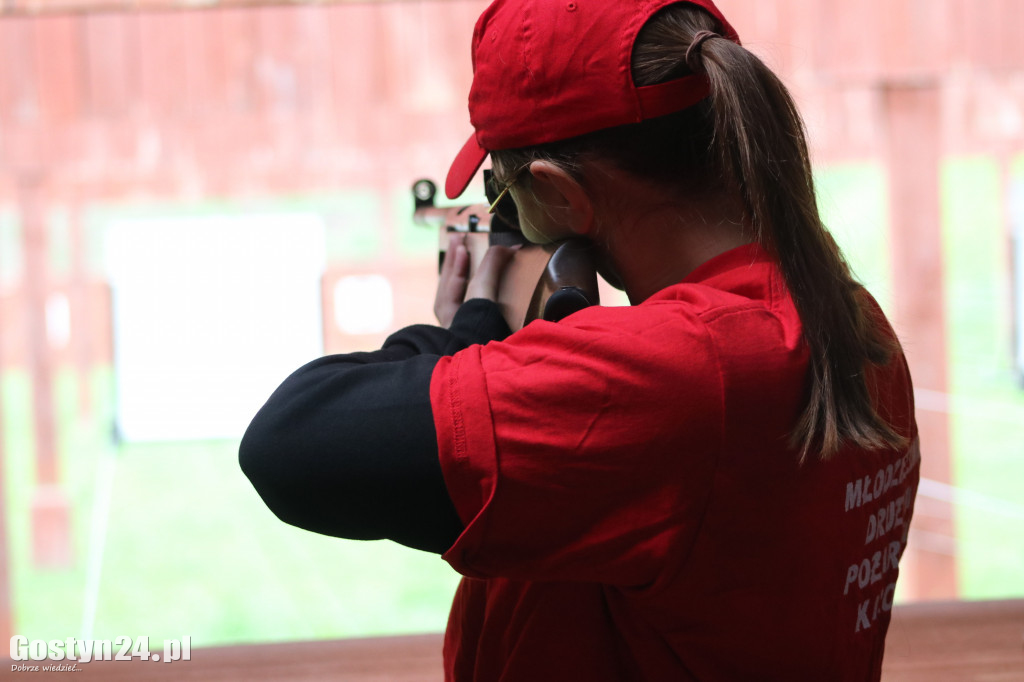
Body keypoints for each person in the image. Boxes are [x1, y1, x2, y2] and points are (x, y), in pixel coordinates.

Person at [239, 0, 921, 679]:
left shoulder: (685, 373)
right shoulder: (844, 314)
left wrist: (470, 330)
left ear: (562, 198)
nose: (513, 219)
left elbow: (292, 442)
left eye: (507, 195)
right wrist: (553, 330)